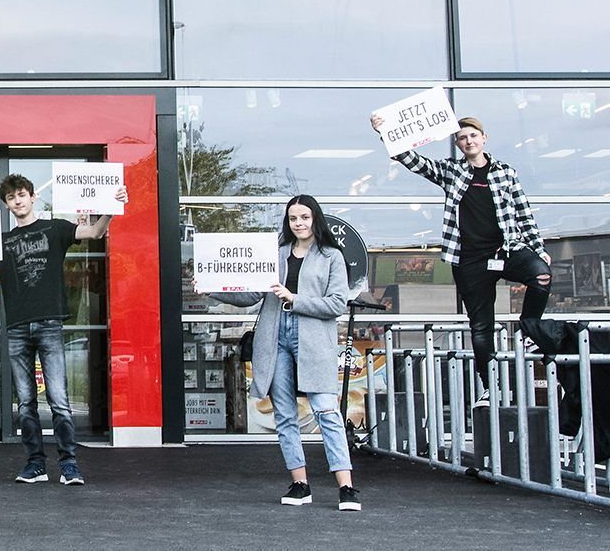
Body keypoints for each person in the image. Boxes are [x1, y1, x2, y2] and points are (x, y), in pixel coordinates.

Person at [370, 112, 549, 404]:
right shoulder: (453, 171)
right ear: (457, 142)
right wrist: (385, 131)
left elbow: (523, 213)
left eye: (473, 136)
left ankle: (530, 329)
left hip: (506, 250)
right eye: (462, 138)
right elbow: (415, 161)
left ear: (484, 138)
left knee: (541, 274)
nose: (468, 141)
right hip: (469, 260)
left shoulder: (505, 172)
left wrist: (538, 249)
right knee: (481, 326)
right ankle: (490, 384)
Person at [211, 194, 360, 511]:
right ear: (287, 222)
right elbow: (251, 295)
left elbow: (336, 304)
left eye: (304, 217)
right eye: (293, 218)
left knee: (326, 412)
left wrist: (294, 298)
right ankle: (300, 484)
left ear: (315, 219)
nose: (299, 223)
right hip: (275, 336)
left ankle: (346, 488)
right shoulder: (276, 254)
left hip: (312, 338)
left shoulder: (331, 256)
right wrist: (210, 286)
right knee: (285, 415)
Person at [0, 173, 127, 485]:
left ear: (32, 197)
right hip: (16, 327)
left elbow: (95, 231)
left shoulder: (55, 228)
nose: (17, 201)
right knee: (25, 402)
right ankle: (35, 466)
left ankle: (69, 466)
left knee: (59, 399)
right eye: (11, 197)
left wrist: (111, 207)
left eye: (22, 195)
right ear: (6, 204)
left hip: (49, 323)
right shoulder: (0, 241)